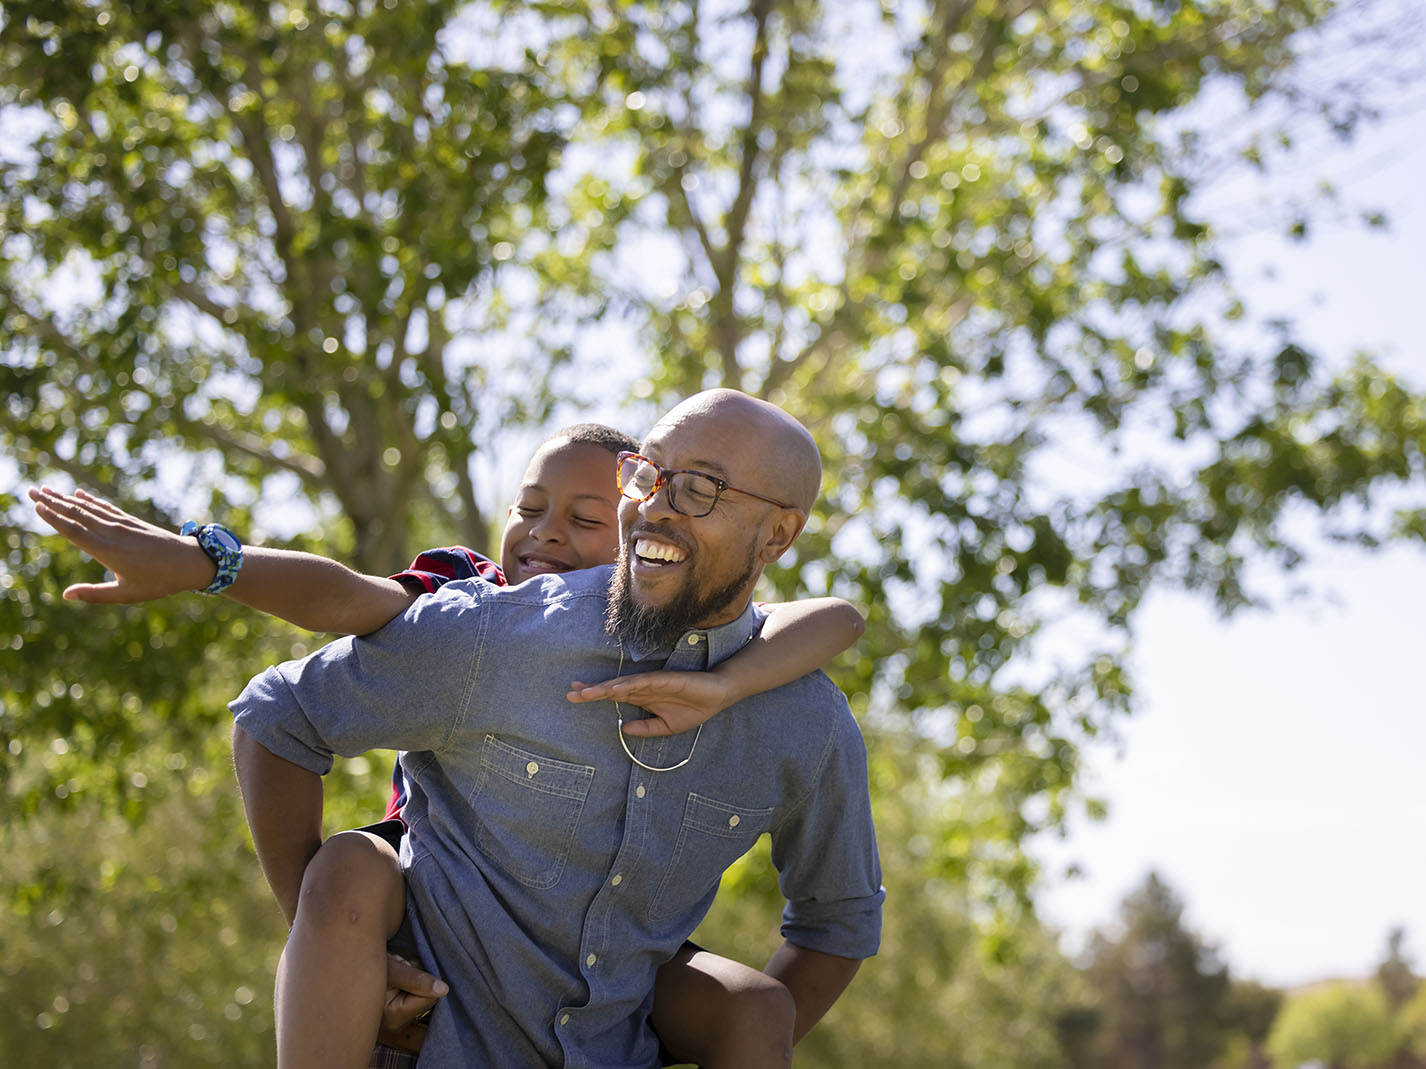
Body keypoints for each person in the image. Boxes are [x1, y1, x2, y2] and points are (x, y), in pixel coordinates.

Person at [27, 416, 869, 1067]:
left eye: (702, 489)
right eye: (647, 477)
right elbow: (298, 679)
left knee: (760, 1006)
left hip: (622, 1000)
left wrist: (723, 686)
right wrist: (211, 562)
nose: (653, 503)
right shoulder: (491, 624)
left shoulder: (799, 710)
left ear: (778, 535)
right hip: (431, 959)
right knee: (349, 869)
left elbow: (837, 916)